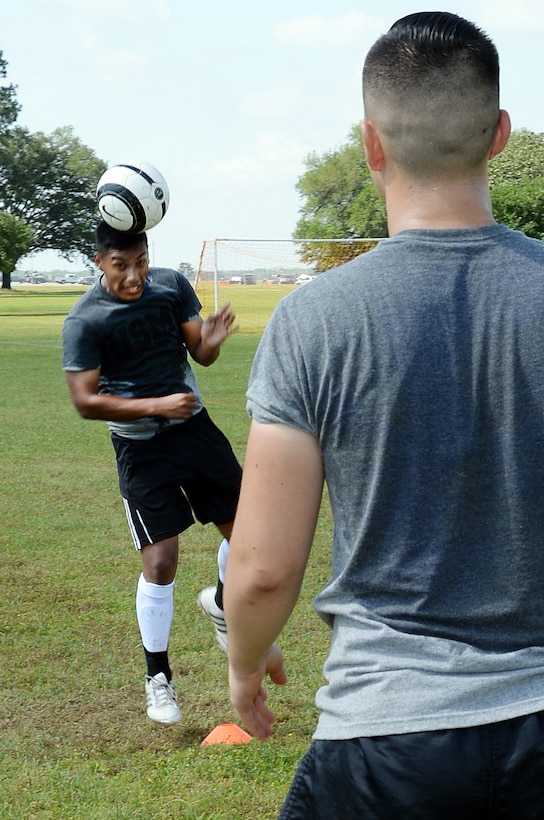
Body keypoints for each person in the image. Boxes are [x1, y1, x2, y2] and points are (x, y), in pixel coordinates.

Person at [224, 11, 544, 818]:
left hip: (388, 740)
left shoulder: (314, 319)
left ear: (370, 144)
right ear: (501, 134)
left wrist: (245, 664)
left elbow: (262, 568)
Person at [62, 220, 239, 725]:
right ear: (98, 261)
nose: (135, 275)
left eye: (140, 261)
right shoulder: (85, 320)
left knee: (248, 538)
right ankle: (158, 679)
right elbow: (85, 402)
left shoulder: (171, 285)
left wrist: (214, 338)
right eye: (121, 266)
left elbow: (199, 354)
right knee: (161, 563)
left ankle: (224, 605)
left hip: (196, 431)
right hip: (141, 450)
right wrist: (155, 405)